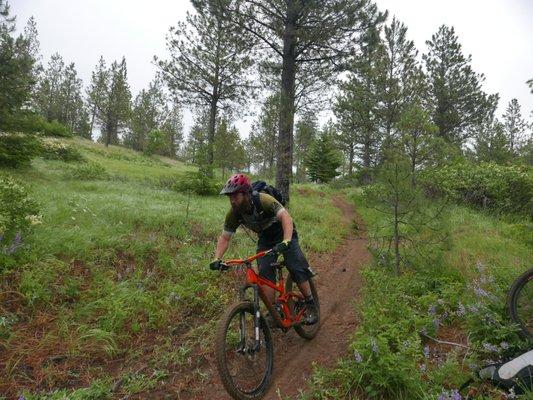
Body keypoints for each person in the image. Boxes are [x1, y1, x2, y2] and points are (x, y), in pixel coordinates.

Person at [210, 173, 318, 325]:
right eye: (230, 197)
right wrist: (217, 258)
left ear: (246, 193)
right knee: (265, 272)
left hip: (284, 232)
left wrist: (286, 240)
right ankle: (274, 310)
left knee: (295, 265)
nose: (232, 200)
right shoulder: (234, 213)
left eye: (235, 196)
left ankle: (310, 303)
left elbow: (285, 217)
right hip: (266, 239)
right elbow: (225, 238)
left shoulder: (263, 199)